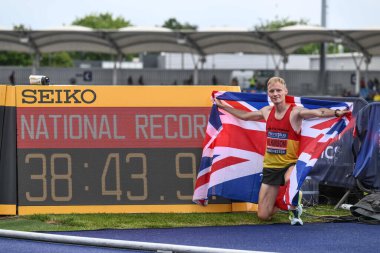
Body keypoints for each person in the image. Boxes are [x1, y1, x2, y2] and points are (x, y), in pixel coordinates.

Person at [214, 76, 350, 225]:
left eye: (278, 90)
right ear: (268, 94)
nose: (275, 94)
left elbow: (319, 113)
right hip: (270, 168)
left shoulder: (295, 112)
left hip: (289, 164)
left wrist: (336, 112)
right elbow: (245, 116)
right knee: (263, 215)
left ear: (285, 91)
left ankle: (294, 206)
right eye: (272, 91)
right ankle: (284, 203)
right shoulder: (266, 111)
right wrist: (223, 107)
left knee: (289, 179)